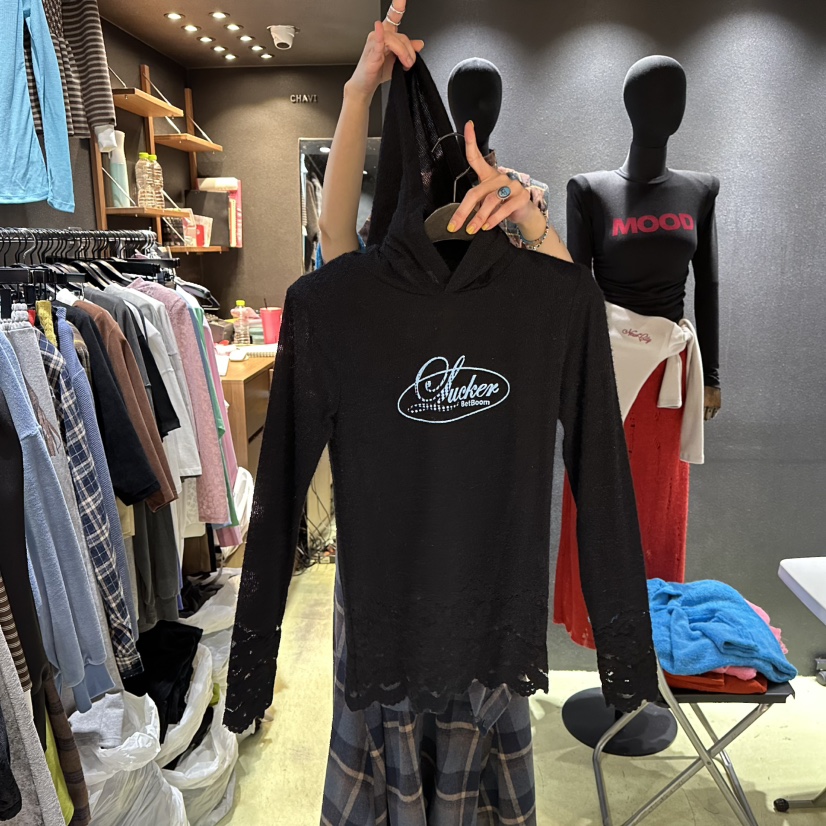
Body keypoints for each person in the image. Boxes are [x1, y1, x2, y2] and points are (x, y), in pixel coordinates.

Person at [318, 0, 572, 265]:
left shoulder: (528, 193)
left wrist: (531, 220)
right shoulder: (411, 194)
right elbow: (339, 251)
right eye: (466, 97)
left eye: (487, 98)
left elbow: (567, 285)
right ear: (448, 103)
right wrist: (357, 95)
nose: (478, 107)